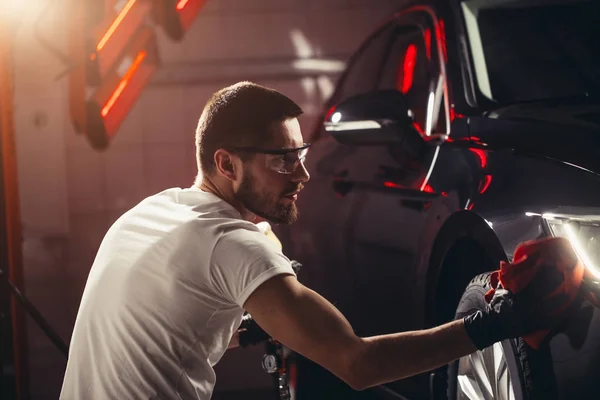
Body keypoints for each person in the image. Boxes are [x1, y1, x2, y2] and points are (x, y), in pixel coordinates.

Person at [60, 81, 567, 399]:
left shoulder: (152, 213)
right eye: (282, 159)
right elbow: (359, 364)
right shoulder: (230, 244)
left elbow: (175, 326)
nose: (303, 173)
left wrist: (250, 327)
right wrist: (500, 322)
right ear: (226, 163)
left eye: (300, 153)